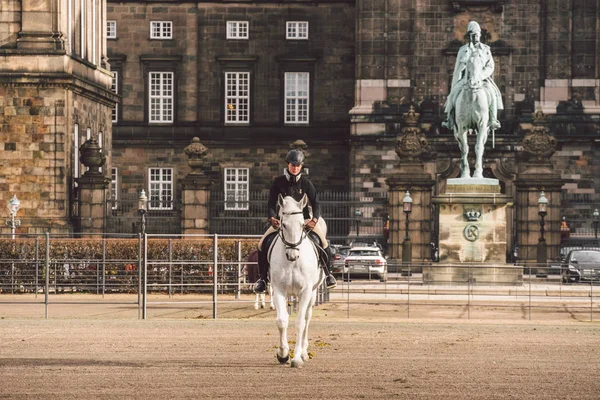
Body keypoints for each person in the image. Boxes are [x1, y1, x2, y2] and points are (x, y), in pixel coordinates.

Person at [253, 149, 337, 294]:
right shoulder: (278, 182)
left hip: (304, 220)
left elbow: (316, 203)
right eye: (293, 165)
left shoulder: (306, 183)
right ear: (288, 165)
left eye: (298, 165)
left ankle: (329, 275)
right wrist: (272, 217)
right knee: (262, 244)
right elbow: (271, 203)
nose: (295, 168)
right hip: (282, 221)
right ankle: (262, 279)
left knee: (323, 242)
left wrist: (314, 220)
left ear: (301, 166)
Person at [442, 20, 503, 132]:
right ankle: (449, 119)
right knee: (452, 94)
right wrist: (463, 64)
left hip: (482, 80)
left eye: (477, 35)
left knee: (493, 94)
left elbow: (490, 66)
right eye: (473, 35)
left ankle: (493, 120)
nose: (476, 37)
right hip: (465, 79)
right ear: (469, 36)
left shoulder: (485, 50)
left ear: (480, 35)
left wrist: (480, 76)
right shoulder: (463, 50)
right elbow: (458, 68)